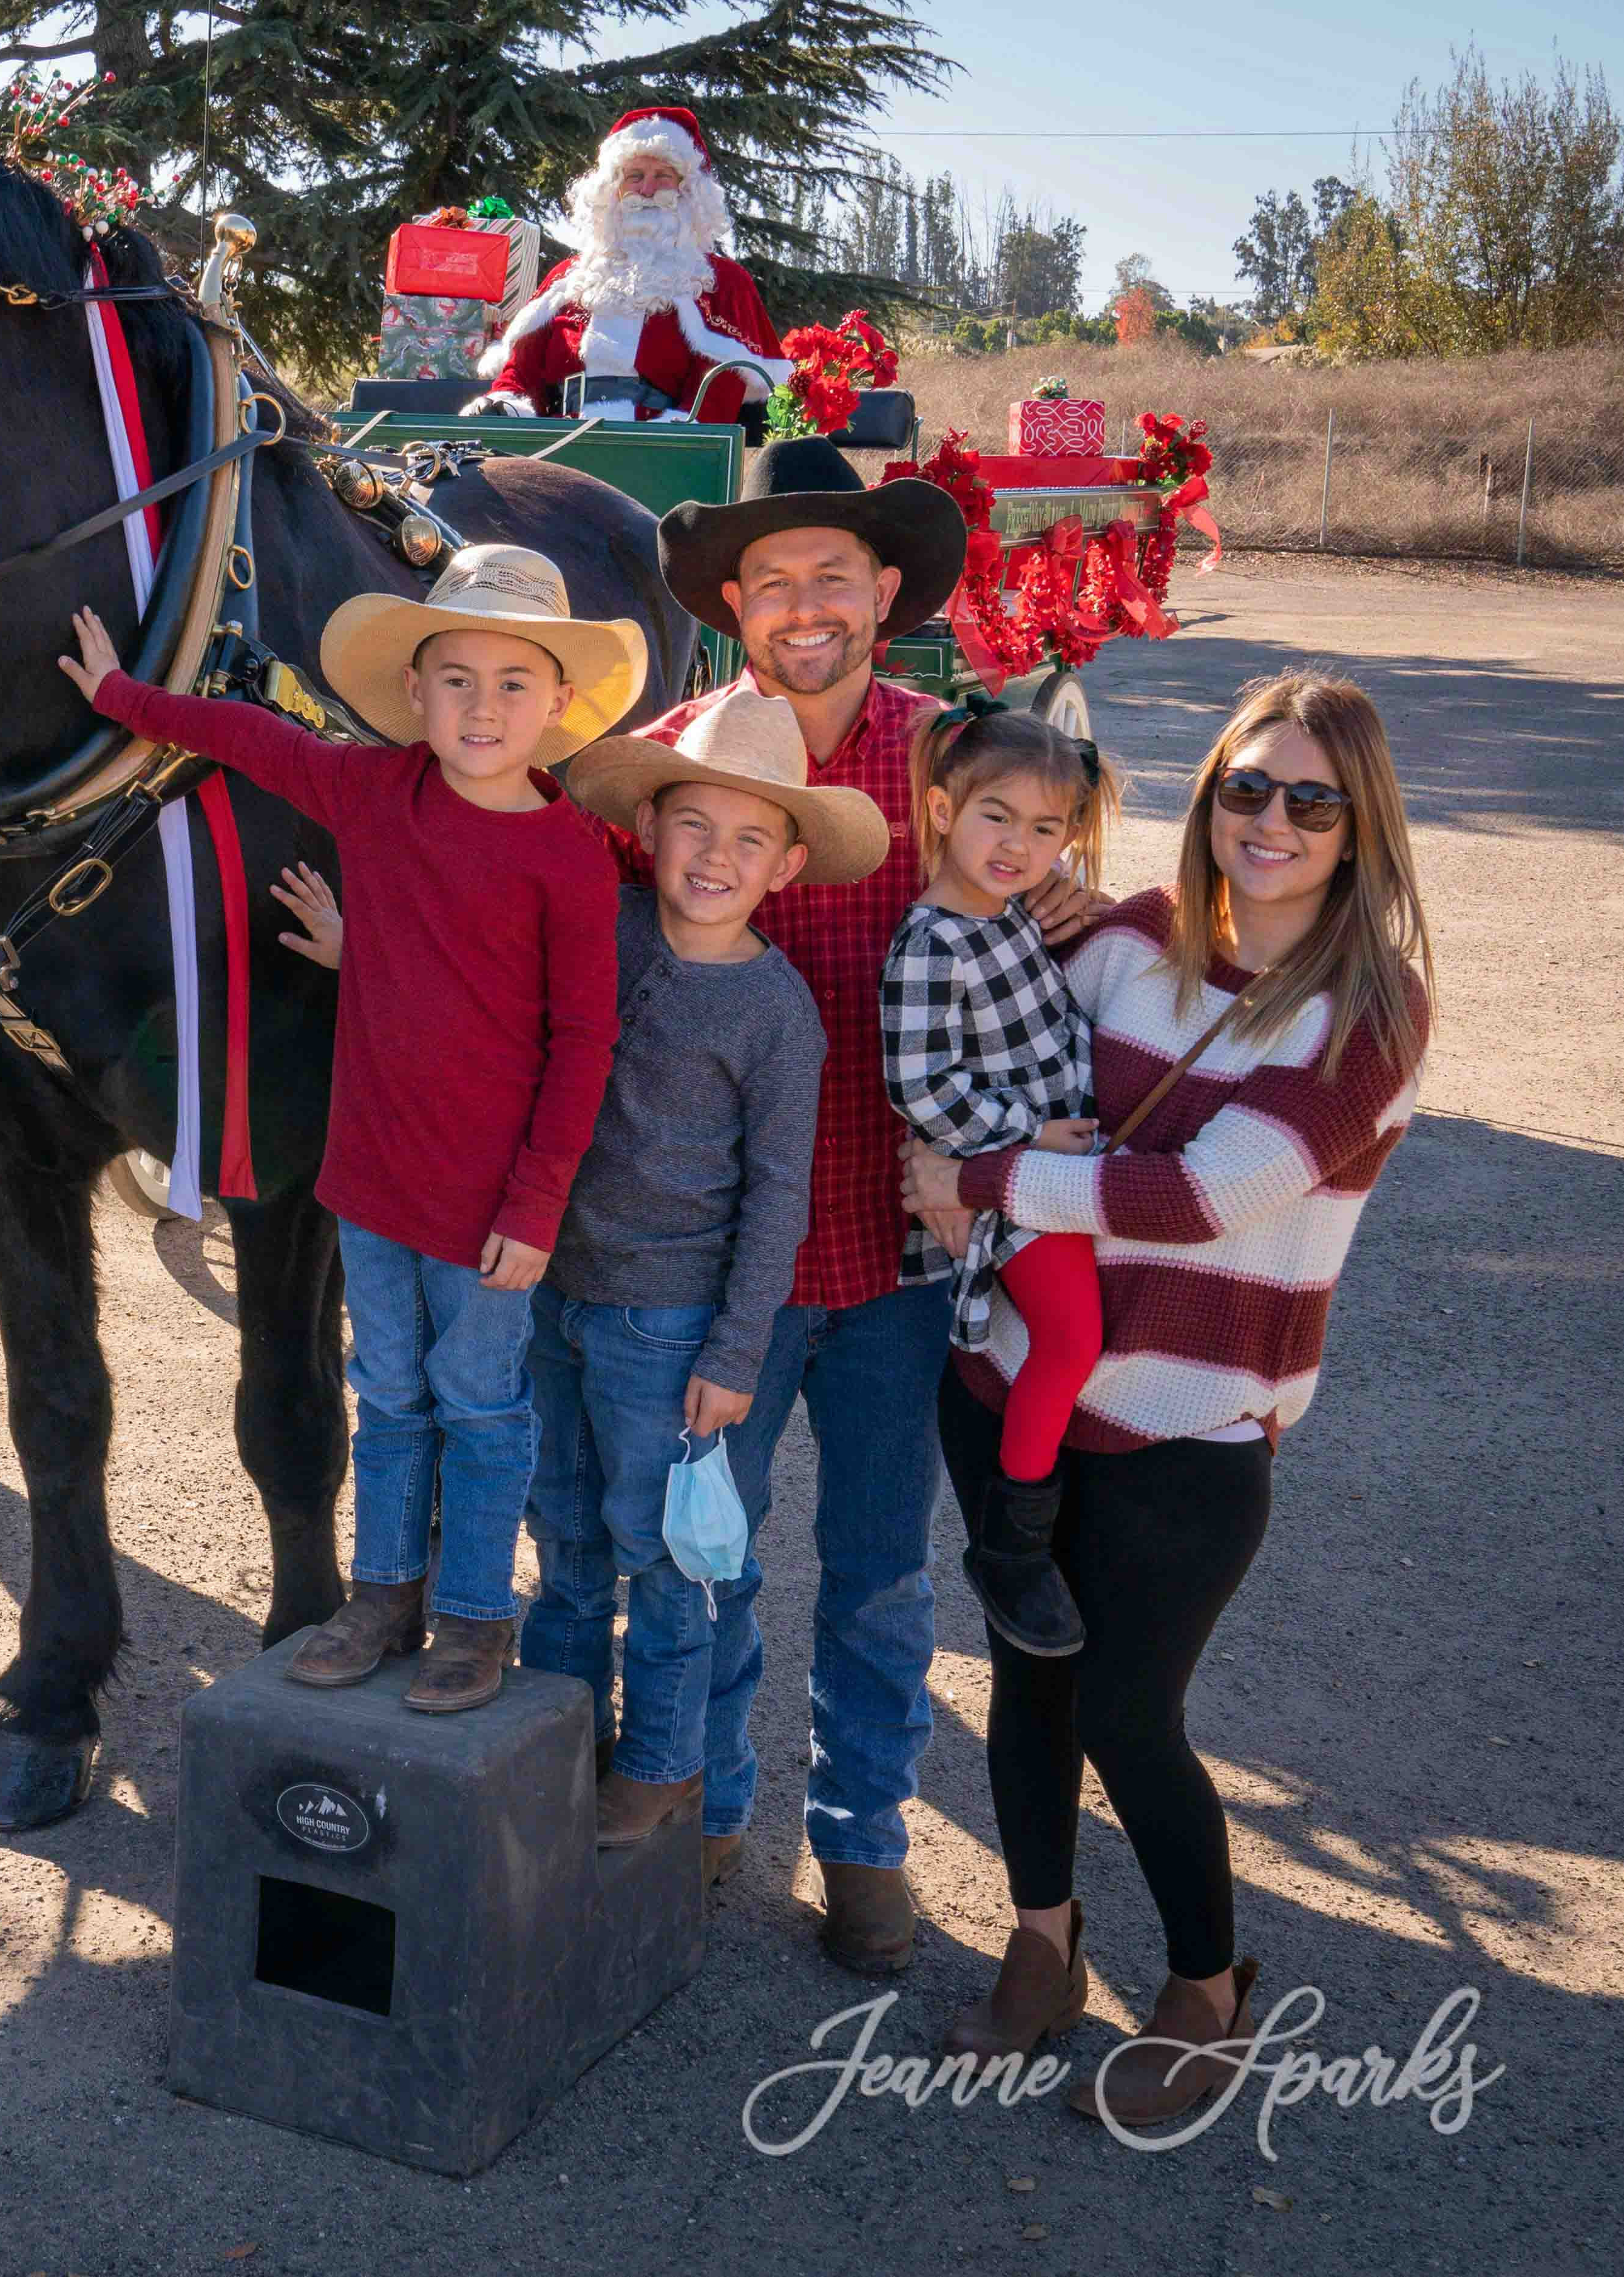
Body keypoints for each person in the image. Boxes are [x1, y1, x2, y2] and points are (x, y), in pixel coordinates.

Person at [910, 672, 1432, 2132]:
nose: (1269, 819)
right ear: (1208, 798)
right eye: (1245, 787)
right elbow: (987, 1043)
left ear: (1357, 825)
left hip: (1194, 1422)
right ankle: (1040, 1938)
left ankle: (1204, 1988)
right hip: (1011, 1375)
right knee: (1027, 1681)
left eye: (1309, 798)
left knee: (1131, 1711)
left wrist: (988, 1182)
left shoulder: (1367, 1017)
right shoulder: (1123, 935)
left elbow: (1202, 1199)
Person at [628, 438, 1104, 1973]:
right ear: (736, 605)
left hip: (902, 1252)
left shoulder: (947, 761)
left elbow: (1059, 884)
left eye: (833, 573)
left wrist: (1116, 910)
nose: (804, 605)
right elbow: (545, 904)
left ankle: (865, 1838)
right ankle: (702, 1800)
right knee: (702, 1549)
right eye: (772, 581)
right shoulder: (682, 761)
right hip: (725, 1261)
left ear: (885, 590)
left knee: (881, 1570)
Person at [55, 545, 638, 1713]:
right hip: (369, 1186)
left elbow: (579, 1046)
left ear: (557, 704)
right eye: (455, 679)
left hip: (486, 1213)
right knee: (388, 1395)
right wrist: (120, 699)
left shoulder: (568, 860)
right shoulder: (372, 793)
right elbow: (250, 739)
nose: (482, 706)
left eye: (512, 683)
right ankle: (380, 1594)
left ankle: (475, 1615)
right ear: (412, 695)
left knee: (480, 1408)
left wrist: (534, 1208)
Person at [529, 688, 871, 1845]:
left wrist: (734, 1353)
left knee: (668, 1558)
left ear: (783, 866)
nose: (712, 856)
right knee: (565, 1536)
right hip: (554, 1295)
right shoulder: (606, 926)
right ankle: (555, 1736)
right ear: (648, 827)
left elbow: (778, 1194)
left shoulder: (775, 1014)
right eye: (691, 824)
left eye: (745, 838)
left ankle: (661, 1760)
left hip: (668, 1328)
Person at [882, 700, 1120, 1660]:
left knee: (1092, 1333)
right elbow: (919, 1086)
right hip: (1016, 1177)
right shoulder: (931, 942)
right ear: (941, 812)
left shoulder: (1010, 914)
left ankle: (1060, 1503)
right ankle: (1010, 1541)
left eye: (1043, 827)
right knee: (1068, 1337)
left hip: (1059, 1162)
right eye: (995, 818)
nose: (1016, 845)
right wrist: (1029, 1139)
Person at [476, 106, 794, 424]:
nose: (646, 190)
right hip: (560, 444)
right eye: (635, 177)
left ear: (688, 190)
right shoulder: (569, 276)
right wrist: (506, 404)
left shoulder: (723, 282)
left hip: (662, 449)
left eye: (663, 177)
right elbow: (521, 369)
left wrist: (680, 433)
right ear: (613, 189)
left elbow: (720, 384)